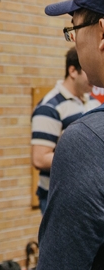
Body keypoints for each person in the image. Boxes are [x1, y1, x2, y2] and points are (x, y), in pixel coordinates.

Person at [28, 0, 104, 270]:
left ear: (103, 32)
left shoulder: (87, 140)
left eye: (74, 29)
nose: (74, 41)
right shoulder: (53, 109)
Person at [31, 47, 99, 214]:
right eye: (87, 69)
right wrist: (86, 157)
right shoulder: (49, 107)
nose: (92, 75)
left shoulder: (93, 102)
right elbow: (40, 158)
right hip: (58, 197)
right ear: (73, 71)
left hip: (86, 194)